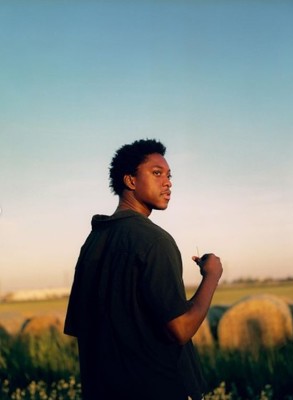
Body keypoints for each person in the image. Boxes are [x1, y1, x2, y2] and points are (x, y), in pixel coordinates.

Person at [64, 138, 223, 400]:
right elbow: (181, 329)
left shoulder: (92, 242)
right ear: (130, 181)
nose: (168, 182)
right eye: (157, 173)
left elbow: (84, 331)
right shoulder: (154, 240)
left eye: (169, 175)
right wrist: (212, 276)